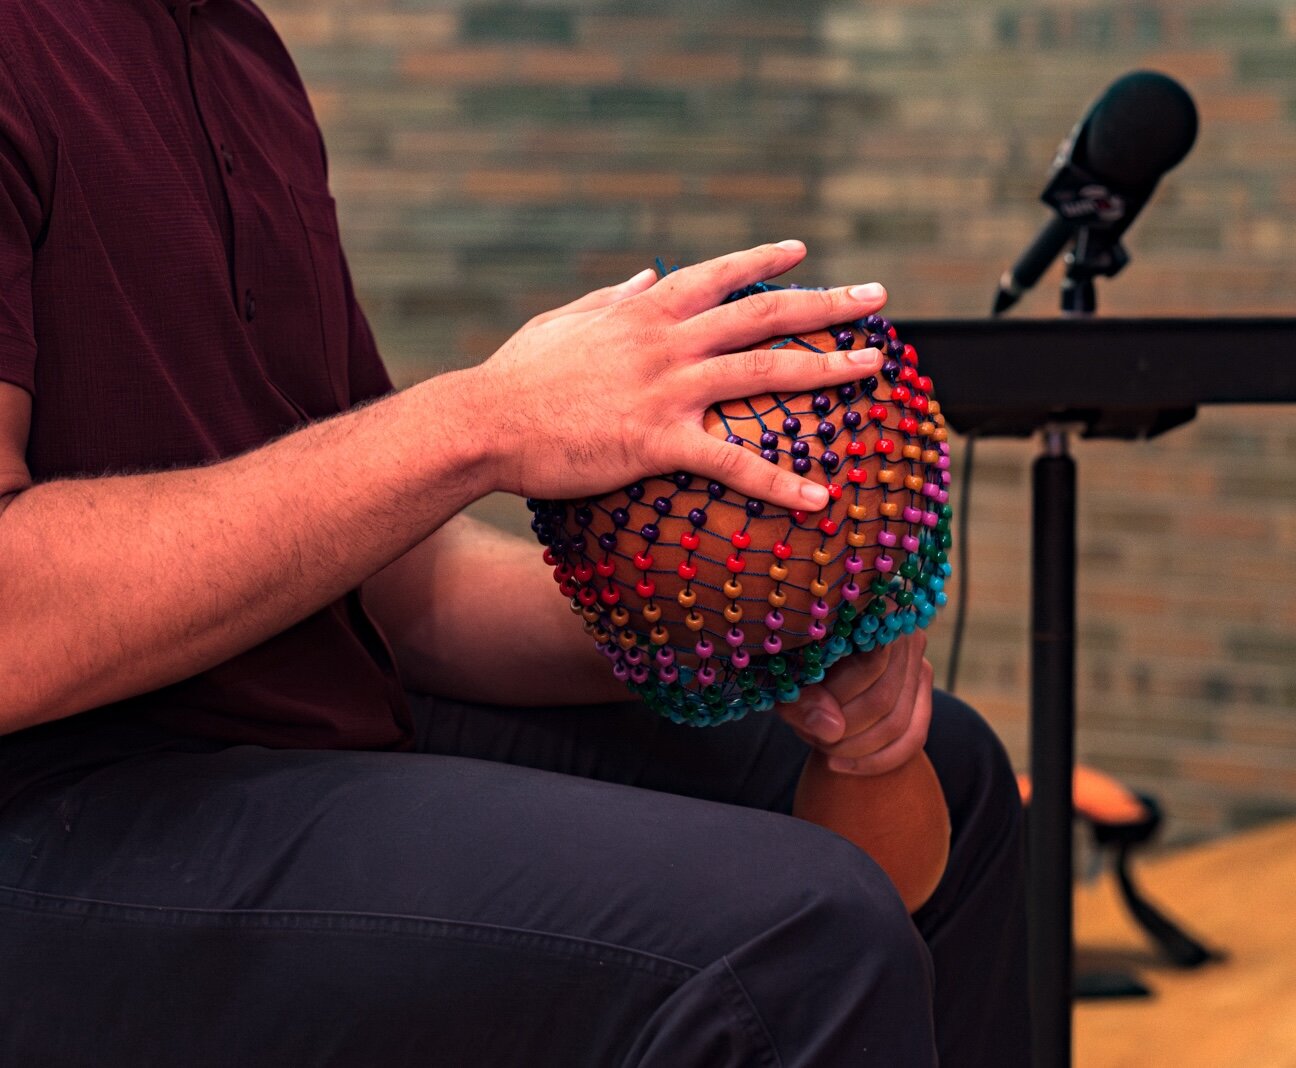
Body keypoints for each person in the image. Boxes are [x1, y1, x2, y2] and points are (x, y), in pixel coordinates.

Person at [0, 1, 1030, 1064]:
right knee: (795, 942)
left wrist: (781, 614)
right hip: (63, 802)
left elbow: (396, 588)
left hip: (302, 727)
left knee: (949, 761)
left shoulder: (236, 53)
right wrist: (484, 420)